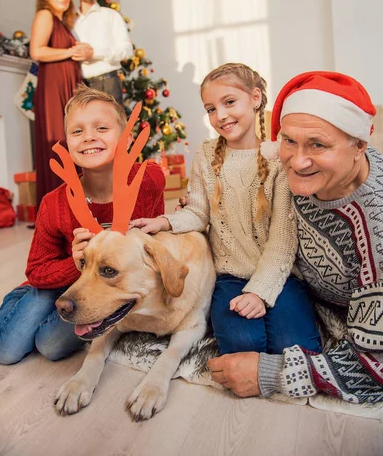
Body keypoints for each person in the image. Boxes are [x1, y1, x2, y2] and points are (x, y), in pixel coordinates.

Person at [208, 71, 383, 404]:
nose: (298, 161)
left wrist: (270, 374)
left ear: (359, 145)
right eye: (289, 141)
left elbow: (377, 364)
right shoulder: (287, 175)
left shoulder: (377, 220)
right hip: (283, 286)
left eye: (318, 144)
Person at [130, 63, 321, 356]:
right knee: (243, 345)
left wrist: (260, 292)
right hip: (230, 276)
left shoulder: (279, 158)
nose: (220, 116)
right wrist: (164, 223)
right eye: (210, 109)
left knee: (296, 349)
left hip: (281, 275)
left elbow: (283, 241)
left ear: (255, 98)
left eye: (229, 102)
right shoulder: (206, 154)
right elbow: (197, 213)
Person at [0, 85, 165, 365]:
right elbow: (36, 270)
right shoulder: (53, 203)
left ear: (127, 138)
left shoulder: (148, 182)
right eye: (77, 131)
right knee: (5, 351)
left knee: (51, 347)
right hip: (53, 284)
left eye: (102, 128)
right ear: (68, 142)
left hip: (101, 290)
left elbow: (158, 239)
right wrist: (75, 262)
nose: (89, 137)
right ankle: (23, 300)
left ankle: (50, 312)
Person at [30, 0, 93, 210]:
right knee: (58, 141)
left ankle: (72, 203)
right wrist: (70, 52)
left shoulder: (64, 23)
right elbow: (37, 51)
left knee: (69, 139)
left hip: (65, 85)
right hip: (52, 87)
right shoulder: (45, 15)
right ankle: (56, 207)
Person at [73, 0, 133, 105]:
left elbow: (127, 51)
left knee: (111, 126)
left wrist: (94, 52)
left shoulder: (111, 16)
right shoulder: (69, 20)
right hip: (78, 87)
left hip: (107, 84)